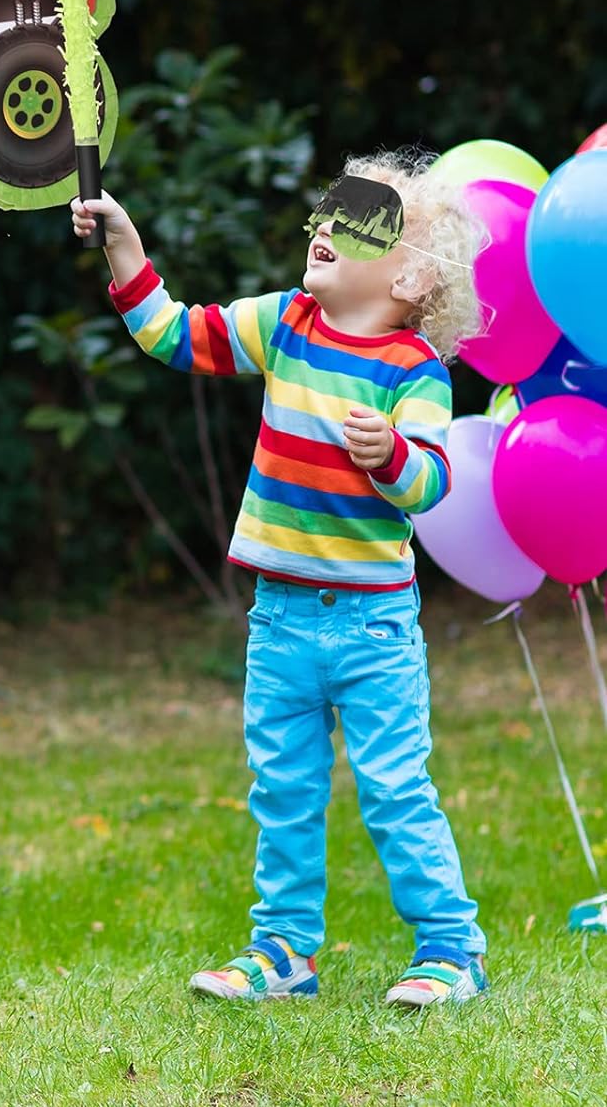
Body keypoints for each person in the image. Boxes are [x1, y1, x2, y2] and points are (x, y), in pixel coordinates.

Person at [71, 150, 487, 1008]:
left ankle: (451, 950)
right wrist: (125, 247)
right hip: (281, 622)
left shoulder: (415, 372)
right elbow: (175, 334)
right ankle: (284, 953)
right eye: (331, 211)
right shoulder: (287, 323)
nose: (330, 226)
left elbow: (435, 481)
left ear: (409, 275)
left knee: (395, 791)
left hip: (373, 629)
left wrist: (392, 457)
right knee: (284, 792)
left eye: (363, 218)